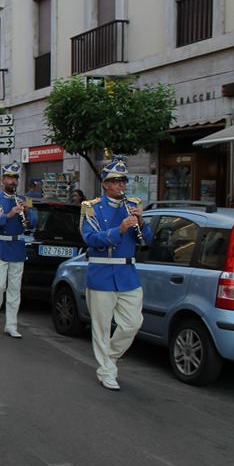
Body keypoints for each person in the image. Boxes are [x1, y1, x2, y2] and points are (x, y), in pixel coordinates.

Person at [81, 157, 153, 391]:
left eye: (123, 180)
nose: (121, 185)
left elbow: (147, 240)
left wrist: (141, 222)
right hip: (101, 272)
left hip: (127, 273)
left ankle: (109, 358)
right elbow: (90, 238)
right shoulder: (91, 207)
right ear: (105, 184)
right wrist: (118, 229)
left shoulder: (132, 204)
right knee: (101, 328)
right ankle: (106, 371)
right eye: (116, 181)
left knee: (133, 323)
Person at [0, 162, 38, 339]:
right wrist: (10, 214)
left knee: (15, 289)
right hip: (0, 246)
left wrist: (28, 212)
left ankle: (11, 325)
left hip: (17, 247)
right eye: (9, 178)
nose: (13, 181)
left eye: (15, 178)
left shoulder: (25, 199)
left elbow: (34, 225)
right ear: (3, 179)